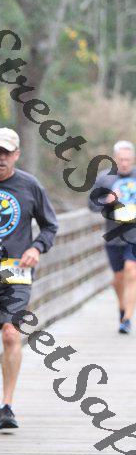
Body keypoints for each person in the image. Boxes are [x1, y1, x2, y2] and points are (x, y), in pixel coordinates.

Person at [0, 127, 58, 429]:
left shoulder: (30, 186)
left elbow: (50, 226)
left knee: (11, 334)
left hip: (16, 271)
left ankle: (8, 404)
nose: (1, 158)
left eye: (7, 153)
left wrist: (36, 248)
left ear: (16, 154)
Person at [88, 140, 136, 334]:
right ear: (115, 159)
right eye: (121, 159)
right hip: (114, 236)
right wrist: (107, 201)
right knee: (118, 278)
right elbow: (91, 205)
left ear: (133, 159)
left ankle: (127, 319)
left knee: (131, 271)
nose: (124, 163)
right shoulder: (104, 178)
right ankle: (122, 309)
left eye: (128, 159)